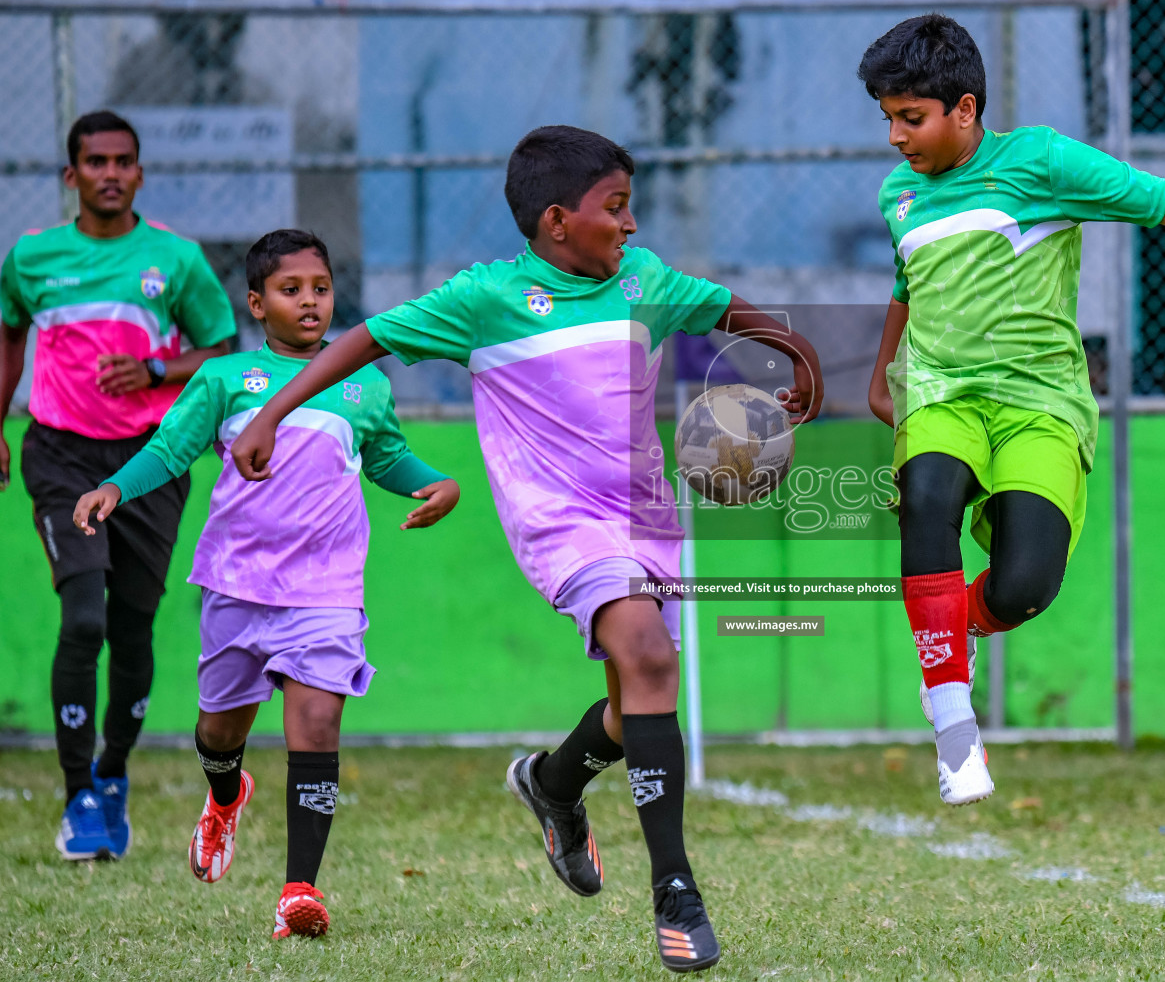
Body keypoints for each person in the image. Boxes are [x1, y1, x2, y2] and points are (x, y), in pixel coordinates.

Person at [224, 125, 824, 973]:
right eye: (615, 208)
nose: (632, 224)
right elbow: (367, 338)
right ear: (555, 221)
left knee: (635, 699)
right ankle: (676, 890)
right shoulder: (485, 300)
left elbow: (716, 301)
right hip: (561, 523)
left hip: (648, 518)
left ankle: (553, 783)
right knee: (648, 655)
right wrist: (270, 413)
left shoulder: (643, 281)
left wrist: (791, 348)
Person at [859, 15, 1165, 805]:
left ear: (964, 108)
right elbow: (908, 280)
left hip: (1038, 400)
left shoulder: (1041, 162)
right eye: (886, 118)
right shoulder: (899, 192)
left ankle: (947, 633)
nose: (895, 136)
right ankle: (954, 726)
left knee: (1025, 585)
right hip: (940, 389)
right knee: (926, 494)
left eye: (910, 118)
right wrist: (885, 372)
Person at [73, 229, 460, 938]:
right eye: (291, 290)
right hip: (236, 586)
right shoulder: (225, 379)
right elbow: (170, 450)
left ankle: (299, 891)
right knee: (220, 730)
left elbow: (387, 456)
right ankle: (225, 797)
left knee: (316, 724)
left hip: (326, 590)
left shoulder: (363, 383)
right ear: (256, 303)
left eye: (320, 288)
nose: (310, 302)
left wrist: (432, 483)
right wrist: (114, 489)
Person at [0, 110, 237, 860]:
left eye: (123, 161)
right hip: (61, 458)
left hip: (152, 462)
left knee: (133, 625)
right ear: (71, 175)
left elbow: (222, 349)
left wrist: (158, 371)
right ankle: (76, 797)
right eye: (95, 161)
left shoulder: (177, 259)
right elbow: (9, 331)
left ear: (140, 172)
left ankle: (111, 773)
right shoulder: (32, 259)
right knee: (86, 620)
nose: (110, 173)